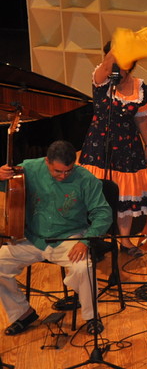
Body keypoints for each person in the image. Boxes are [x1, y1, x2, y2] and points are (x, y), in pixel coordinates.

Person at [0, 140, 112, 336]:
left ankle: (91, 316)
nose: (63, 176)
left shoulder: (85, 179)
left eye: (68, 171)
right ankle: (22, 313)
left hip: (68, 237)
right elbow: (7, 187)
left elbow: (103, 213)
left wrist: (85, 241)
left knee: (83, 268)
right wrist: (1, 176)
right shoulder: (29, 168)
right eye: (57, 171)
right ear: (47, 161)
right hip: (33, 237)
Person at [78, 43, 147, 247]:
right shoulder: (102, 79)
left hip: (128, 148)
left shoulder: (139, 86)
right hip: (99, 147)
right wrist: (119, 44)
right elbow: (106, 65)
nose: (116, 69)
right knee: (97, 192)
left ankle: (125, 240)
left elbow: (141, 118)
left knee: (125, 194)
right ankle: (95, 237)